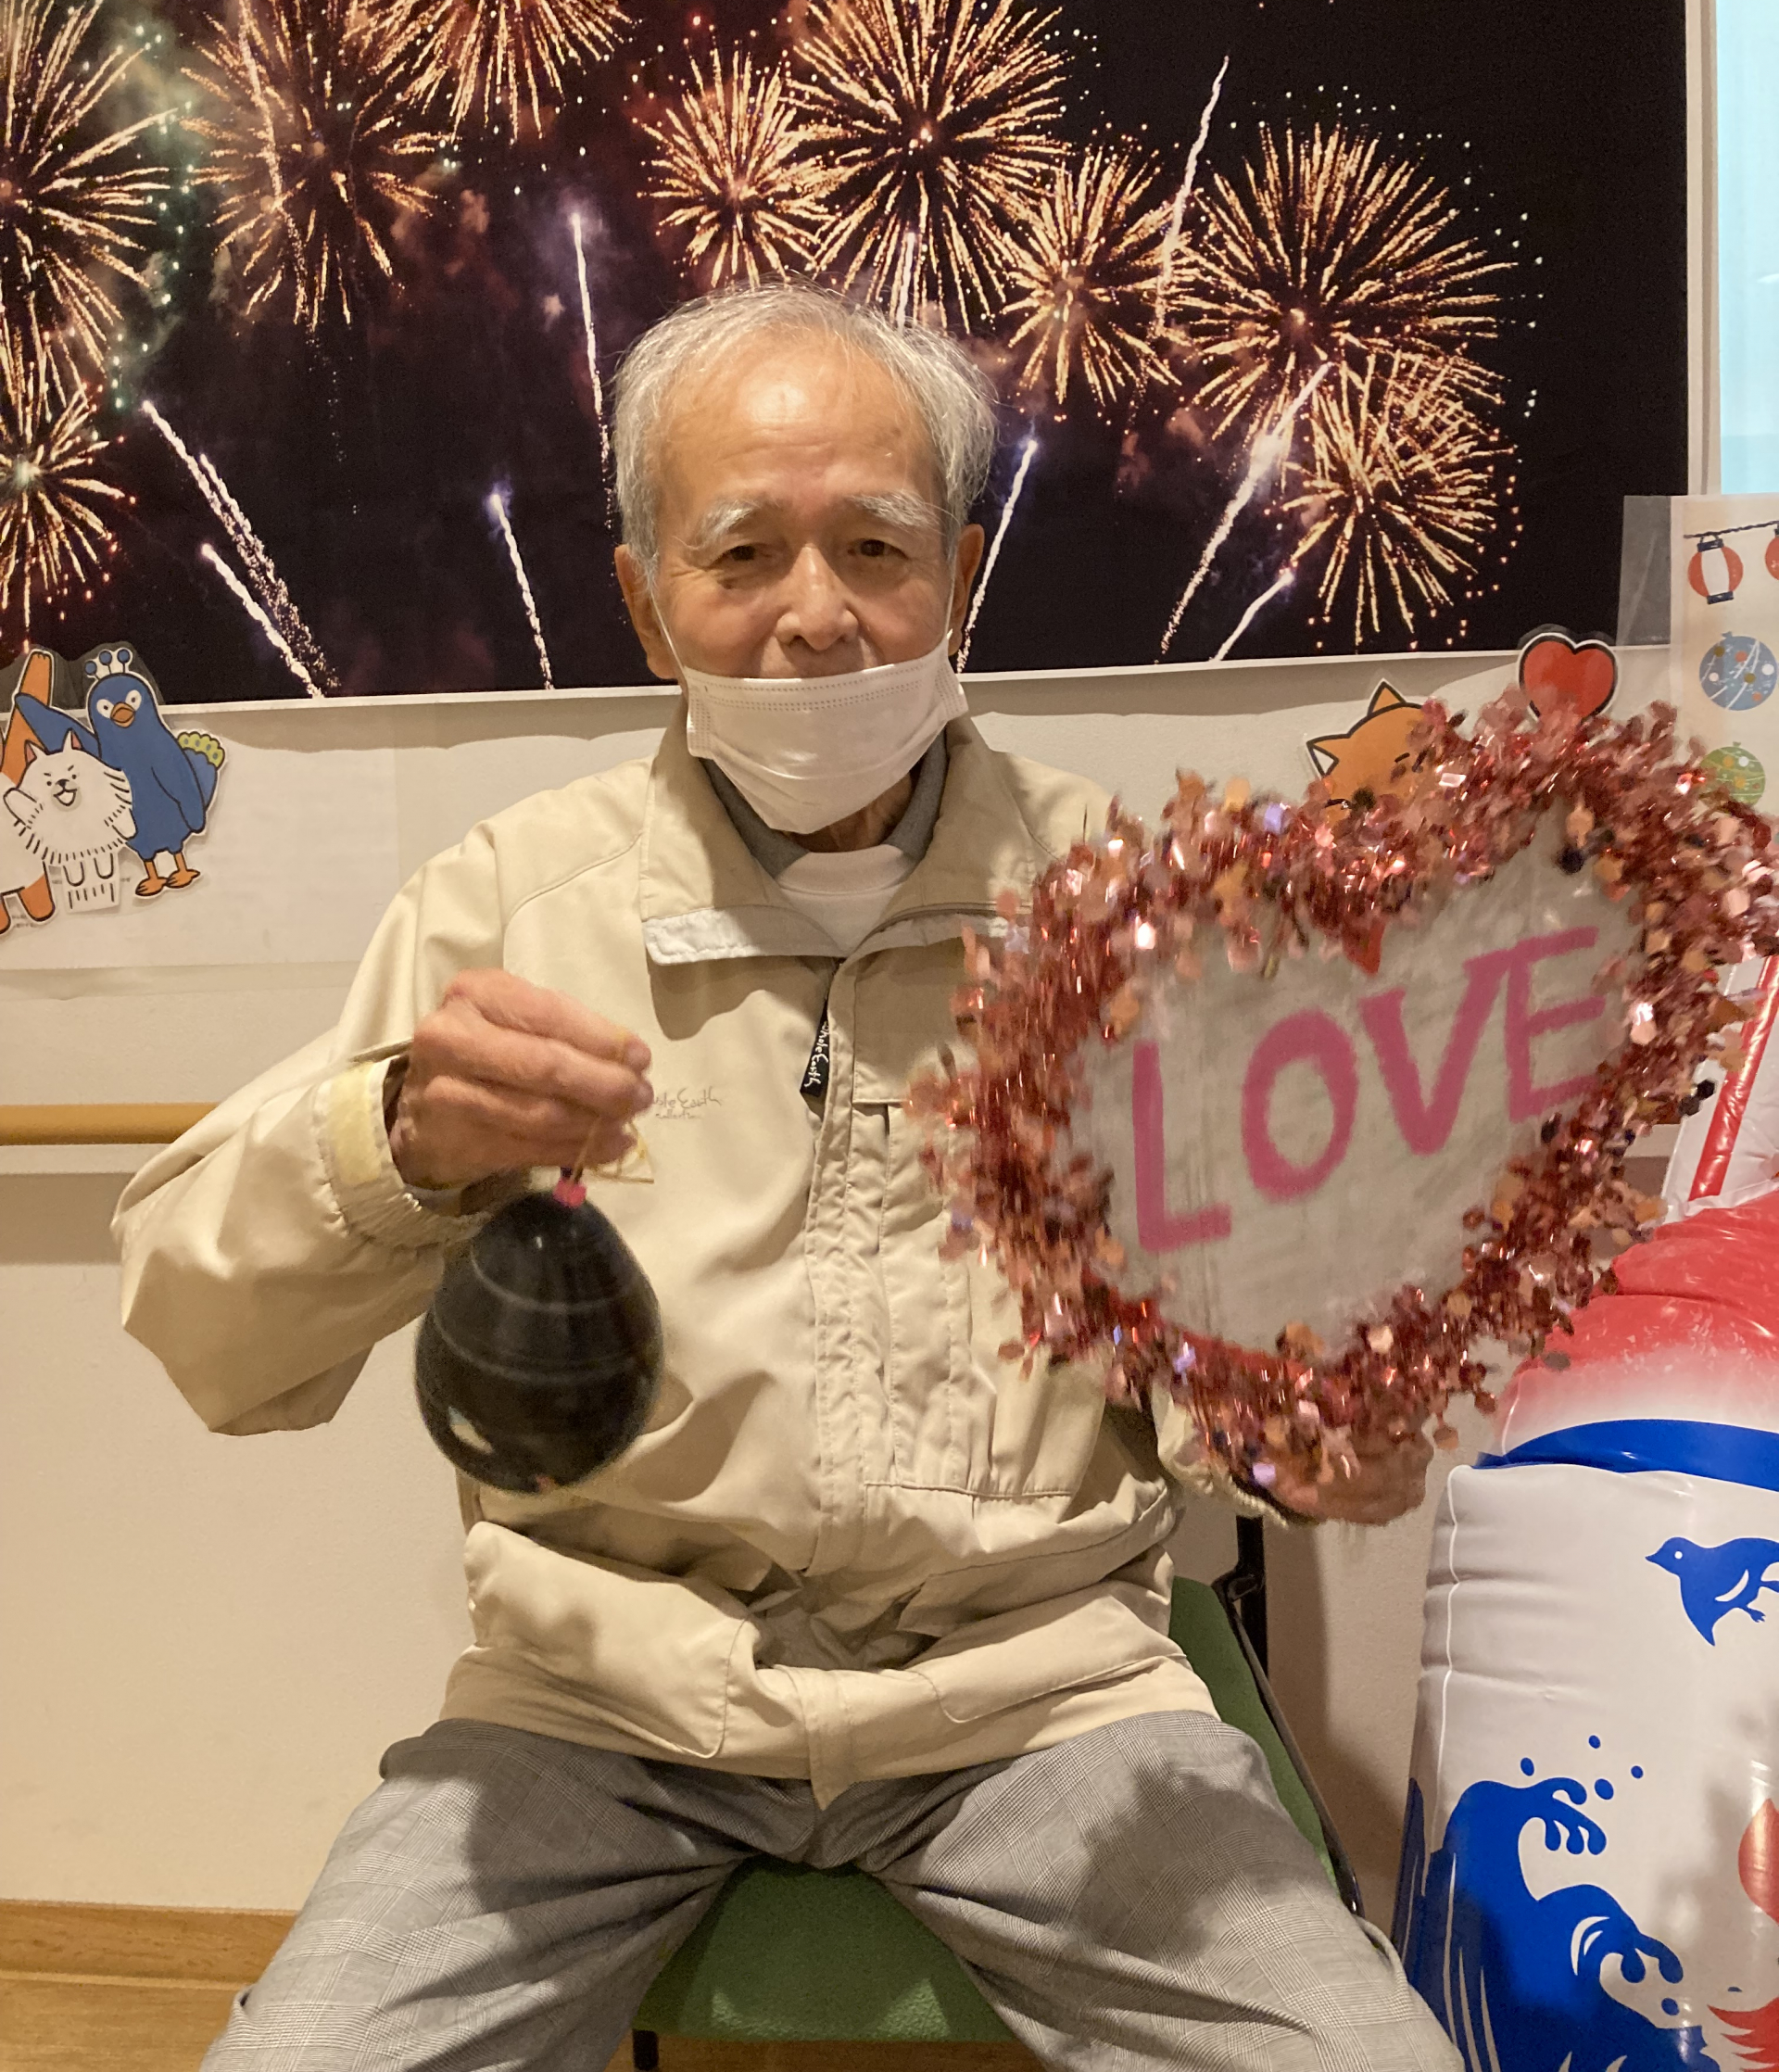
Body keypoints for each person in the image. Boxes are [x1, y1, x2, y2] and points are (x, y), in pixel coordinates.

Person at [118, 285, 1455, 2072]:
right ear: (643, 597)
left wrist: (1307, 1432)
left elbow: (1241, 1362)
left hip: (1038, 1699)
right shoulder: (513, 905)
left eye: (876, 548)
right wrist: (401, 1137)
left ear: (961, 572)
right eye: (742, 552)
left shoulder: (1131, 911)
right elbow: (200, 1322)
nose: (815, 616)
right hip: (599, 1709)